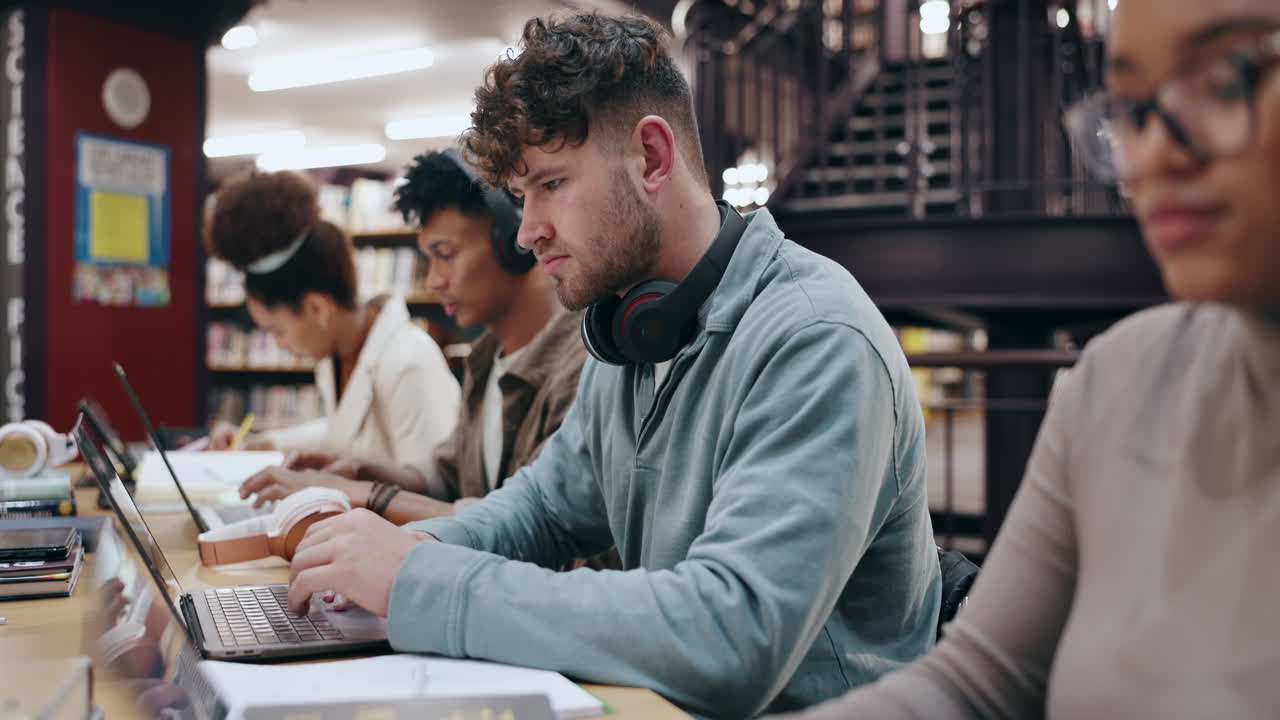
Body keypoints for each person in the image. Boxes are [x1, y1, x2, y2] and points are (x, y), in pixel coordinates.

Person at [283, 12, 940, 718]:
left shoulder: (816, 339)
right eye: (520, 196)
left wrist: (419, 581)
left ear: (652, 157)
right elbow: (541, 508)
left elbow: (731, 635)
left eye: (551, 184)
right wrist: (389, 551)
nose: (528, 230)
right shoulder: (631, 332)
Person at [768, 1, 1280, 717]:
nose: (1154, 151)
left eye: (1226, 78)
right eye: (1131, 105)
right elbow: (976, 683)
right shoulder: (1113, 381)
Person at [237, 150, 589, 528]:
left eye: (445, 254)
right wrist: (361, 473)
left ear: (514, 243)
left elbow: (534, 528)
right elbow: (448, 479)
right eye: (428, 260)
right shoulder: (485, 361)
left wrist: (371, 496)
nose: (435, 280)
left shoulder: (581, 371)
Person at [204, 170, 459, 473]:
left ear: (317, 308)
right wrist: (266, 442)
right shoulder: (339, 354)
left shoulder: (409, 363)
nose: (280, 345)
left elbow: (437, 489)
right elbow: (343, 432)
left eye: (278, 331)